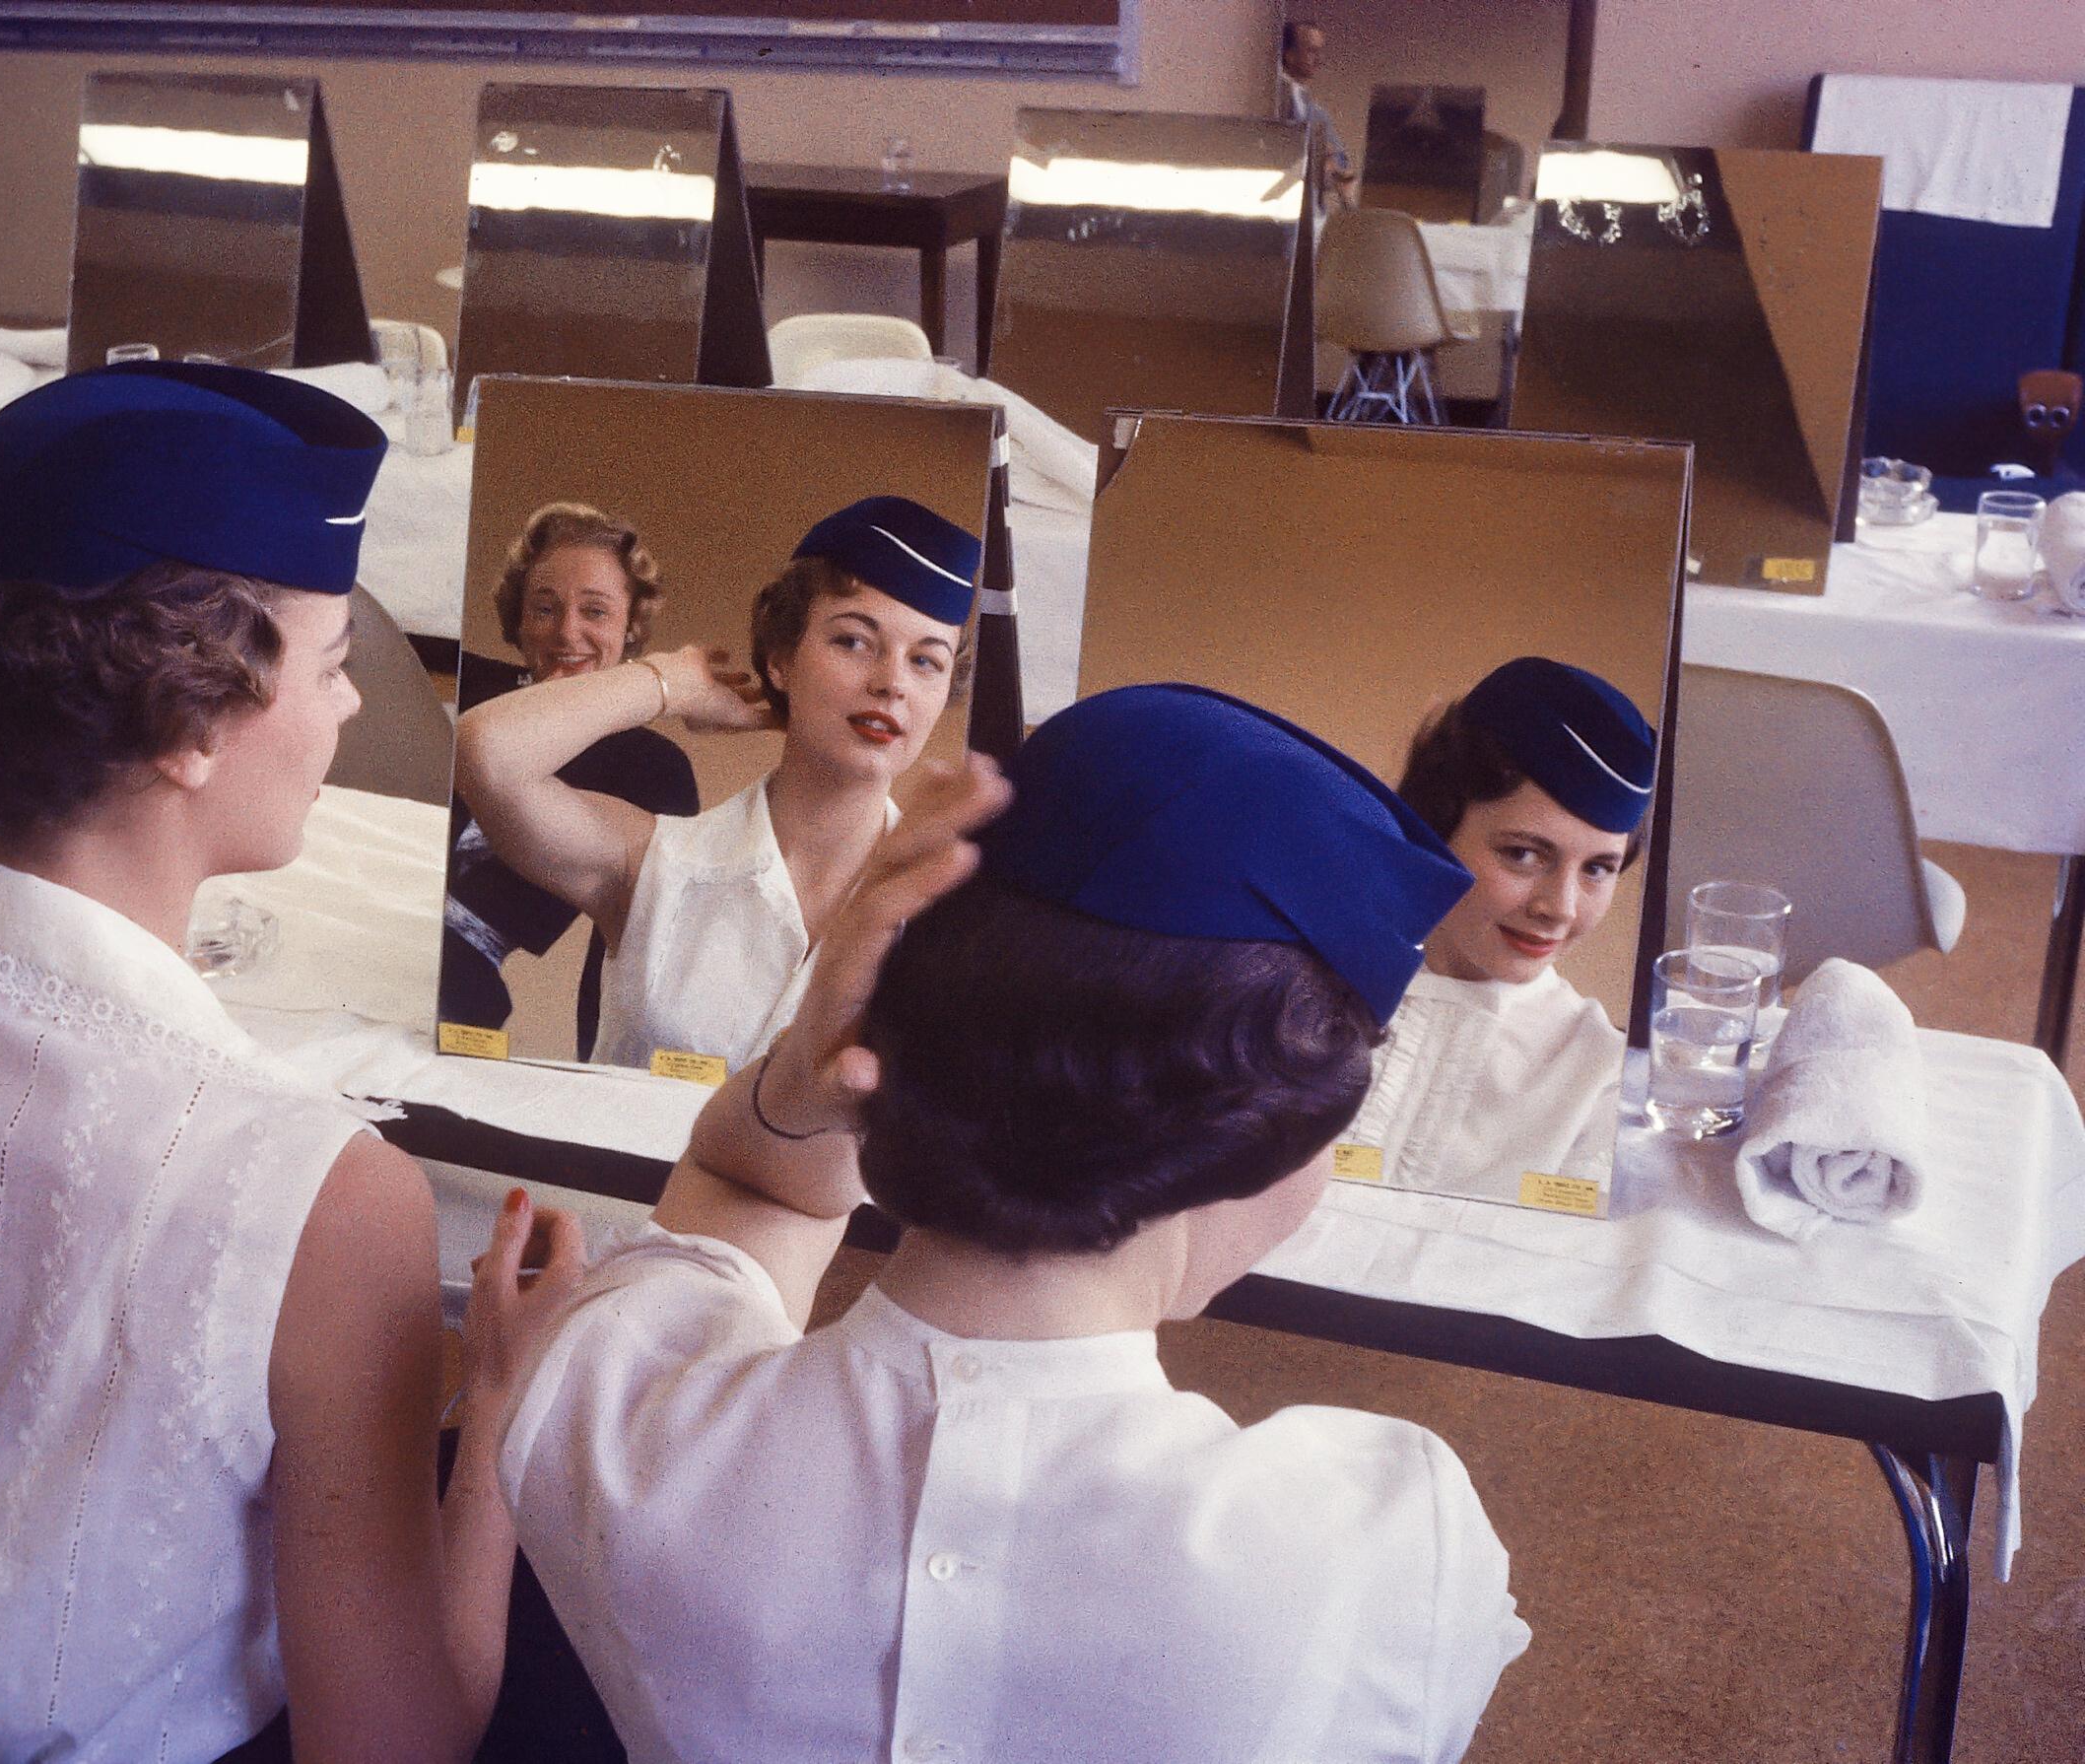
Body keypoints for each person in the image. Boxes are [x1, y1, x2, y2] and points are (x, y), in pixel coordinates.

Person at [0, 362, 582, 1764]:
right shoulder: (327, 1199)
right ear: (187, 724)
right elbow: (395, 1746)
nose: (350, 712)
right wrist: (497, 1411)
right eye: (338, 663)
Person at [497, 683, 1529, 1762]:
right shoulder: (1391, 1546)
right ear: (1261, 1140)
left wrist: (811, 1051)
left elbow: (746, 1181)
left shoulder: (613, 1410)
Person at [454, 494, 978, 1074]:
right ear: (781, 660)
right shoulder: (650, 861)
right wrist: (672, 682)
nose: (892, 684)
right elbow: (487, 751)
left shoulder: (954, 921)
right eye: (852, 641)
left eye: (926, 661)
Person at [1341, 655, 1656, 1191]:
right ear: (1433, 830)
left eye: (1598, 869)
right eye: (1523, 854)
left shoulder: (1603, 1078)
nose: (1560, 908)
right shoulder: (1294, 996)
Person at [440, 502, 698, 1052]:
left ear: (631, 628)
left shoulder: (654, 770)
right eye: (545, 607)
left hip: (459, 988)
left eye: (596, 611)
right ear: (519, 621)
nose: (567, 631)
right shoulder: (467, 684)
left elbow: (625, 951)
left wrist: (595, 1068)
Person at [1276, 20, 1355, 209]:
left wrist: (1330, 164)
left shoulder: (1317, 114)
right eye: (1311, 51)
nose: (1319, 59)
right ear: (1289, 54)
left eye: (1320, 51)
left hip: (1308, 211)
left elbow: (1341, 163)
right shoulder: (1268, 99)